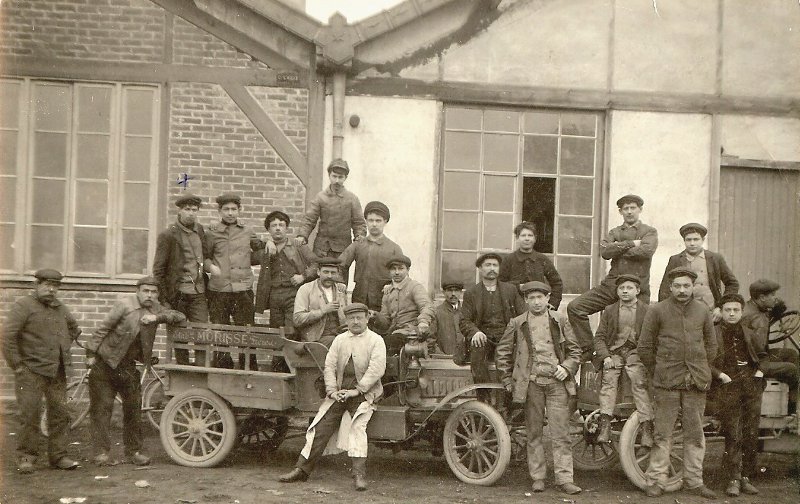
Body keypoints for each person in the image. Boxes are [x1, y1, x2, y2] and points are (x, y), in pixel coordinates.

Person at [278, 303, 386, 491]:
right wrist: (332, 390)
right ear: (346, 320)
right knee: (320, 427)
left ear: (367, 319)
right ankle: (301, 470)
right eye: (351, 318)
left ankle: (359, 475)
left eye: (359, 317)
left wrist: (357, 390)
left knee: (357, 427)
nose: (355, 321)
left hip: (364, 394)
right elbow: (329, 366)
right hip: (340, 393)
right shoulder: (340, 340)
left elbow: (376, 369)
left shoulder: (376, 340)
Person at [84, 277, 186, 466]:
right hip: (105, 363)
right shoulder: (124, 305)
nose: (149, 295)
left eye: (153, 292)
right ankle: (101, 453)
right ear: (138, 291)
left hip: (128, 367)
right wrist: (90, 353)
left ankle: (134, 452)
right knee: (101, 410)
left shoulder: (156, 309)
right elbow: (102, 329)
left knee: (133, 409)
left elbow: (179, 316)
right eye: (146, 291)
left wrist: (157, 318)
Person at [495, 281, 582, 495]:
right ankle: (538, 477)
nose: (536, 302)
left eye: (540, 298)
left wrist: (567, 368)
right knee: (534, 433)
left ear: (547, 298)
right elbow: (503, 353)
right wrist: (508, 381)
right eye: (531, 298)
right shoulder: (517, 323)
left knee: (561, 433)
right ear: (525, 300)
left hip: (556, 384)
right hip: (531, 384)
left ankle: (564, 479)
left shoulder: (560, 320)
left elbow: (575, 351)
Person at [638, 267, 718, 499]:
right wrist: (660, 369)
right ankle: (656, 481)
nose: (682, 290)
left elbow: (711, 347)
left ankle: (694, 482)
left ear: (693, 287)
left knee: (695, 434)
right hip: (666, 382)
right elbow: (644, 347)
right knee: (663, 434)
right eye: (678, 286)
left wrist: (700, 367)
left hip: (695, 382)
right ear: (670, 287)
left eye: (686, 286)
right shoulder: (657, 310)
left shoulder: (703, 311)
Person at [2, 269, 81, 473]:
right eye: (46, 285)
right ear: (36, 285)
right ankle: (27, 457)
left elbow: (74, 328)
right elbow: (7, 337)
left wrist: (61, 346)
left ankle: (59, 456)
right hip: (30, 371)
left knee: (60, 415)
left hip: (57, 372)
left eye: (55, 286)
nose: (51, 289)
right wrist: (18, 365)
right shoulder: (23, 306)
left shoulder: (61, 309)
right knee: (30, 414)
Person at [568, 194, 657, 355]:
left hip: (638, 290)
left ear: (640, 210)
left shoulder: (649, 232)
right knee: (575, 307)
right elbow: (605, 251)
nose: (629, 212)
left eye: (633, 208)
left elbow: (646, 250)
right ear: (620, 212)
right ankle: (589, 349)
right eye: (625, 209)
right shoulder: (614, 231)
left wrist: (618, 248)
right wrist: (630, 244)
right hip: (611, 286)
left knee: (639, 333)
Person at [711, 293, 765, 497]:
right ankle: (732, 479)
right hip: (726, 385)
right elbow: (704, 361)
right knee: (734, 432)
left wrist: (760, 372)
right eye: (728, 310)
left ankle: (746, 477)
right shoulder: (713, 332)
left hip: (750, 385)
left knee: (751, 432)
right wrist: (721, 375)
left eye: (736, 310)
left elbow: (764, 356)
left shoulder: (749, 333)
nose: (732, 313)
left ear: (742, 312)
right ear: (721, 312)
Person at [204, 193, 264, 369]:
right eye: (226, 209)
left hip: (242, 289)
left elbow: (259, 248)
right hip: (219, 289)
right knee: (220, 334)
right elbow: (204, 257)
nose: (230, 213)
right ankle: (223, 369)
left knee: (247, 333)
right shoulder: (212, 233)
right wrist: (210, 267)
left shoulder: (247, 231)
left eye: (234, 209)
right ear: (219, 211)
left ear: (239, 210)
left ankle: (249, 370)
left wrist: (269, 244)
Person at [592, 274, 653, 446]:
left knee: (638, 381)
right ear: (617, 291)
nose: (625, 291)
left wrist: (643, 355)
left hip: (636, 352)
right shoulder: (610, 310)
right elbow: (599, 337)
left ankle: (646, 426)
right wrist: (606, 356)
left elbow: (651, 338)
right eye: (621, 288)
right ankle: (605, 425)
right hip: (615, 352)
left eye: (629, 288)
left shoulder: (646, 310)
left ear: (637, 290)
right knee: (609, 380)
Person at [460, 253, 525, 402]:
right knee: (477, 356)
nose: (492, 269)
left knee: (517, 361)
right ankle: (484, 399)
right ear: (480, 269)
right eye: (488, 265)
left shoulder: (510, 290)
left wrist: (515, 333)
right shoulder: (472, 293)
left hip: (507, 336)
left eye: (495, 265)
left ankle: (512, 403)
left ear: (499, 269)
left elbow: (523, 315)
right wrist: (475, 332)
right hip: (484, 337)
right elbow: (464, 320)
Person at [152, 193, 208, 365]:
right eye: (187, 209)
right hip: (179, 294)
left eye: (194, 210)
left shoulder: (199, 230)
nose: (191, 213)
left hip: (198, 292)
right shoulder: (168, 235)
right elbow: (158, 270)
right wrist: (165, 300)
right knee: (180, 335)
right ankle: (184, 371)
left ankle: (200, 370)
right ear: (180, 211)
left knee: (202, 334)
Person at [296, 159, 367, 285]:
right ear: (329, 176)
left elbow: (359, 222)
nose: (337, 181)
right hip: (322, 247)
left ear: (345, 178)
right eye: (334, 176)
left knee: (339, 279)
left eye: (340, 177)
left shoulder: (352, 199)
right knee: (318, 277)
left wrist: (359, 235)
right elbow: (309, 219)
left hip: (342, 249)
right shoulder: (321, 197)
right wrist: (302, 235)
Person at [658, 223, 739, 322]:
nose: (692, 243)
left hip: (711, 312)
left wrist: (721, 307)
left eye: (696, 239)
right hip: (683, 312)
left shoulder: (715, 258)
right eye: (688, 240)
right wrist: (668, 312)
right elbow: (665, 288)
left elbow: (732, 283)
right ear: (684, 241)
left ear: (703, 240)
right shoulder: (675, 260)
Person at [255, 210, 318, 332]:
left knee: (292, 329)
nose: (278, 228)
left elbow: (316, 264)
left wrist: (303, 276)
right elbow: (248, 257)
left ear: (287, 228)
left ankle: (291, 351)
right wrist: (267, 243)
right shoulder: (266, 249)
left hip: (294, 293)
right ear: (268, 230)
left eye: (281, 225)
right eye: (274, 226)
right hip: (274, 295)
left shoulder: (298, 246)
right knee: (276, 330)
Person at [741, 279, 799, 413]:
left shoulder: (753, 307)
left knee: (791, 354)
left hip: (755, 356)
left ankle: (788, 406)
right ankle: (791, 409)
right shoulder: (757, 319)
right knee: (792, 369)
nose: (775, 298)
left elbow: (767, 315)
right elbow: (759, 349)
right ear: (761, 297)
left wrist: (776, 310)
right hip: (753, 363)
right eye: (772, 295)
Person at [338, 201, 403, 311]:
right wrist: (341, 282)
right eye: (371, 220)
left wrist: (393, 284)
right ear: (366, 221)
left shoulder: (393, 248)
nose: (374, 224)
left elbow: (402, 273)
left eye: (378, 221)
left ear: (385, 222)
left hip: (384, 299)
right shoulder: (358, 245)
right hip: (360, 297)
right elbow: (340, 264)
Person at [373, 255, 434, 355]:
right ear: (389, 271)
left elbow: (427, 306)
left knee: (386, 345)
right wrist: (376, 316)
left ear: (408, 270)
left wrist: (423, 321)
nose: (397, 272)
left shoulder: (415, 287)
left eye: (401, 269)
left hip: (411, 333)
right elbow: (385, 320)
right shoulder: (388, 292)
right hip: (394, 334)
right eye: (393, 269)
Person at [499, 221, 564, 309]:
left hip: (538, 306)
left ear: (535, 239)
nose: (527, 239)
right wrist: (518, 286)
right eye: (523, 235)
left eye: (530, 235)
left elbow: (557, 283)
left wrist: (553, 303)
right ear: (517, 238)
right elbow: (500, 284)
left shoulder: (542, 259)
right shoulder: (508, 260)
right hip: (514, 307)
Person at [293, 258, 347, 348]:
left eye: (333, 273)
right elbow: (297, 319)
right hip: (315, 339)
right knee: (338, 344)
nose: (329, 276)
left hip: (339, 335)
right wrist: (322, 311)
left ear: (338, 274)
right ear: (318, 272)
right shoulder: (306, 289)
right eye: (326, 272)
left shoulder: (340, 290)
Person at [430, 280, 464, 356]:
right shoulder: (436, 312)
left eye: (456, 290)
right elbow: (430, 340)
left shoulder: (467, 312)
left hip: (464, 361)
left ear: (461, 292)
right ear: (444, 292)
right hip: (443, 360)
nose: (453, 294)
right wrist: (441, 355)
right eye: (449, 290)